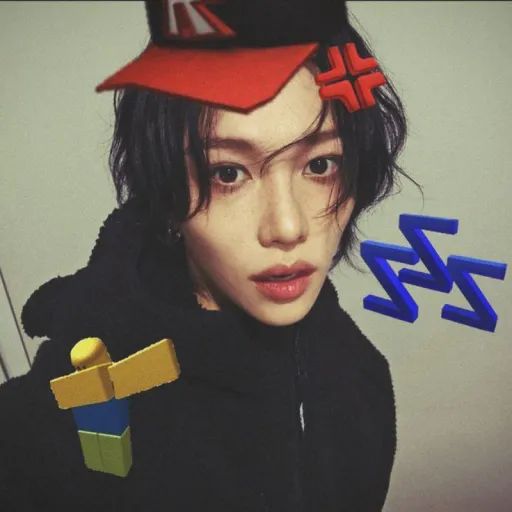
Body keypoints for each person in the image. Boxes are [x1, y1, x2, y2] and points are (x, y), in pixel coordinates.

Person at [0, 1, 418, 510]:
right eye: (227, 173)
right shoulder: (67, 416)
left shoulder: (358, 377)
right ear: (166, 193)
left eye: (321, 165)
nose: (288, 227)